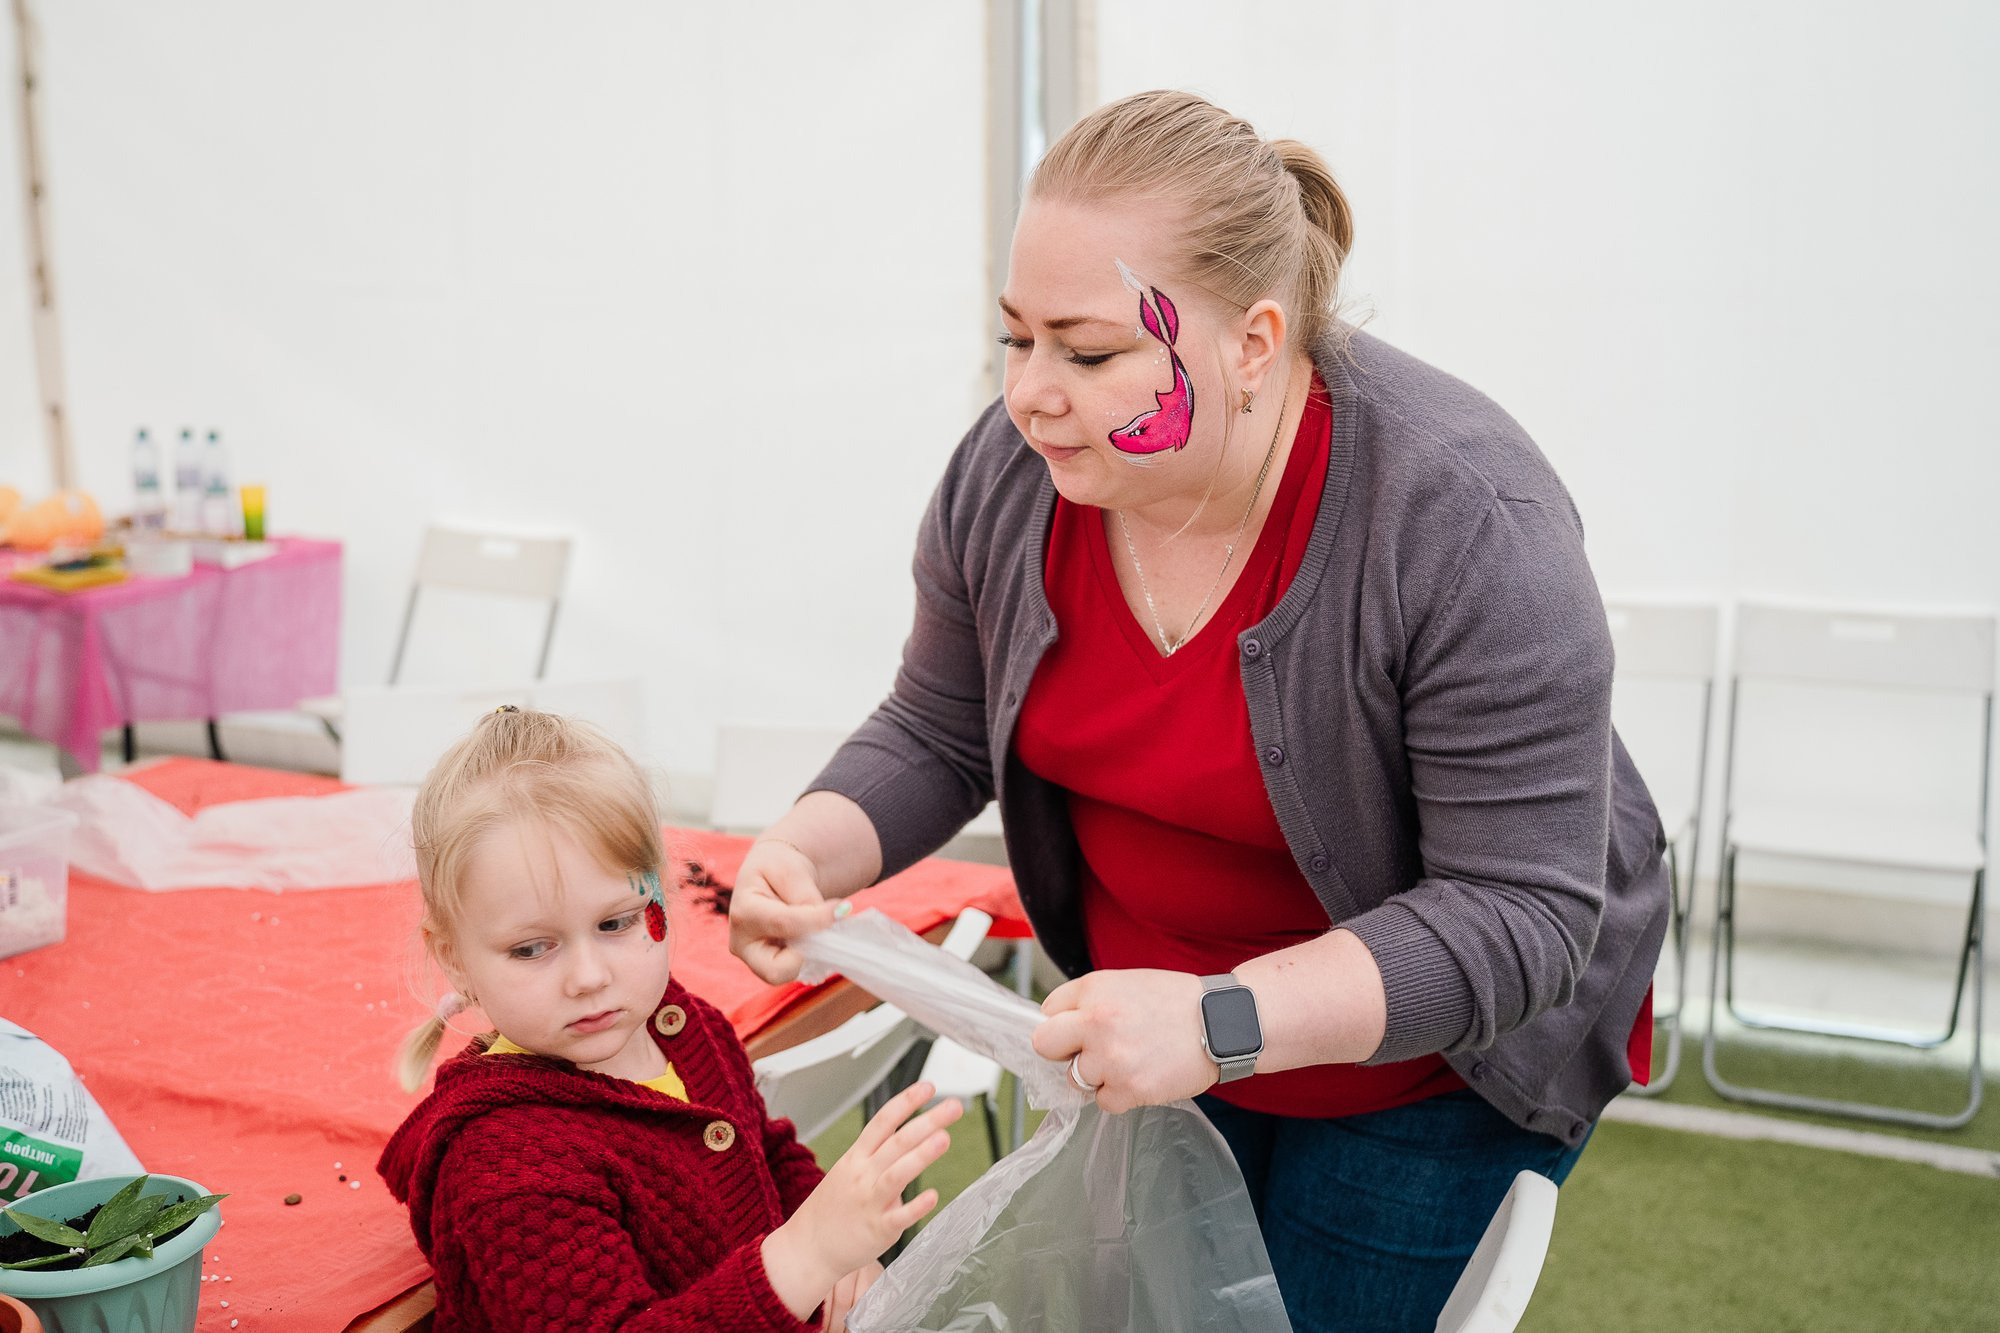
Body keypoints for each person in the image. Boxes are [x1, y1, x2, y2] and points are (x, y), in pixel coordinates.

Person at [728, 89, 1670, 1331]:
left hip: (1419, 1077)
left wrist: (1224, 1018)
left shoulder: (1461, 517)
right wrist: (808, 841)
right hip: (1156, 1035)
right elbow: (938, 723)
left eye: (1090, 349)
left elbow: (1522, 910)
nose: (1029, 395)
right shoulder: (1016, 479)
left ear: (1251, 340)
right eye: (1015, 338)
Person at [378, 707, 963, 1332]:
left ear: (663, 892)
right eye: (531, 948)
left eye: (616, 923)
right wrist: (806, 1256)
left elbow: (762, 1150)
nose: (589, 976)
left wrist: (838, 1252)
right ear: (452, 958)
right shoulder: (508, 1168)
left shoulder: (682, 1027)